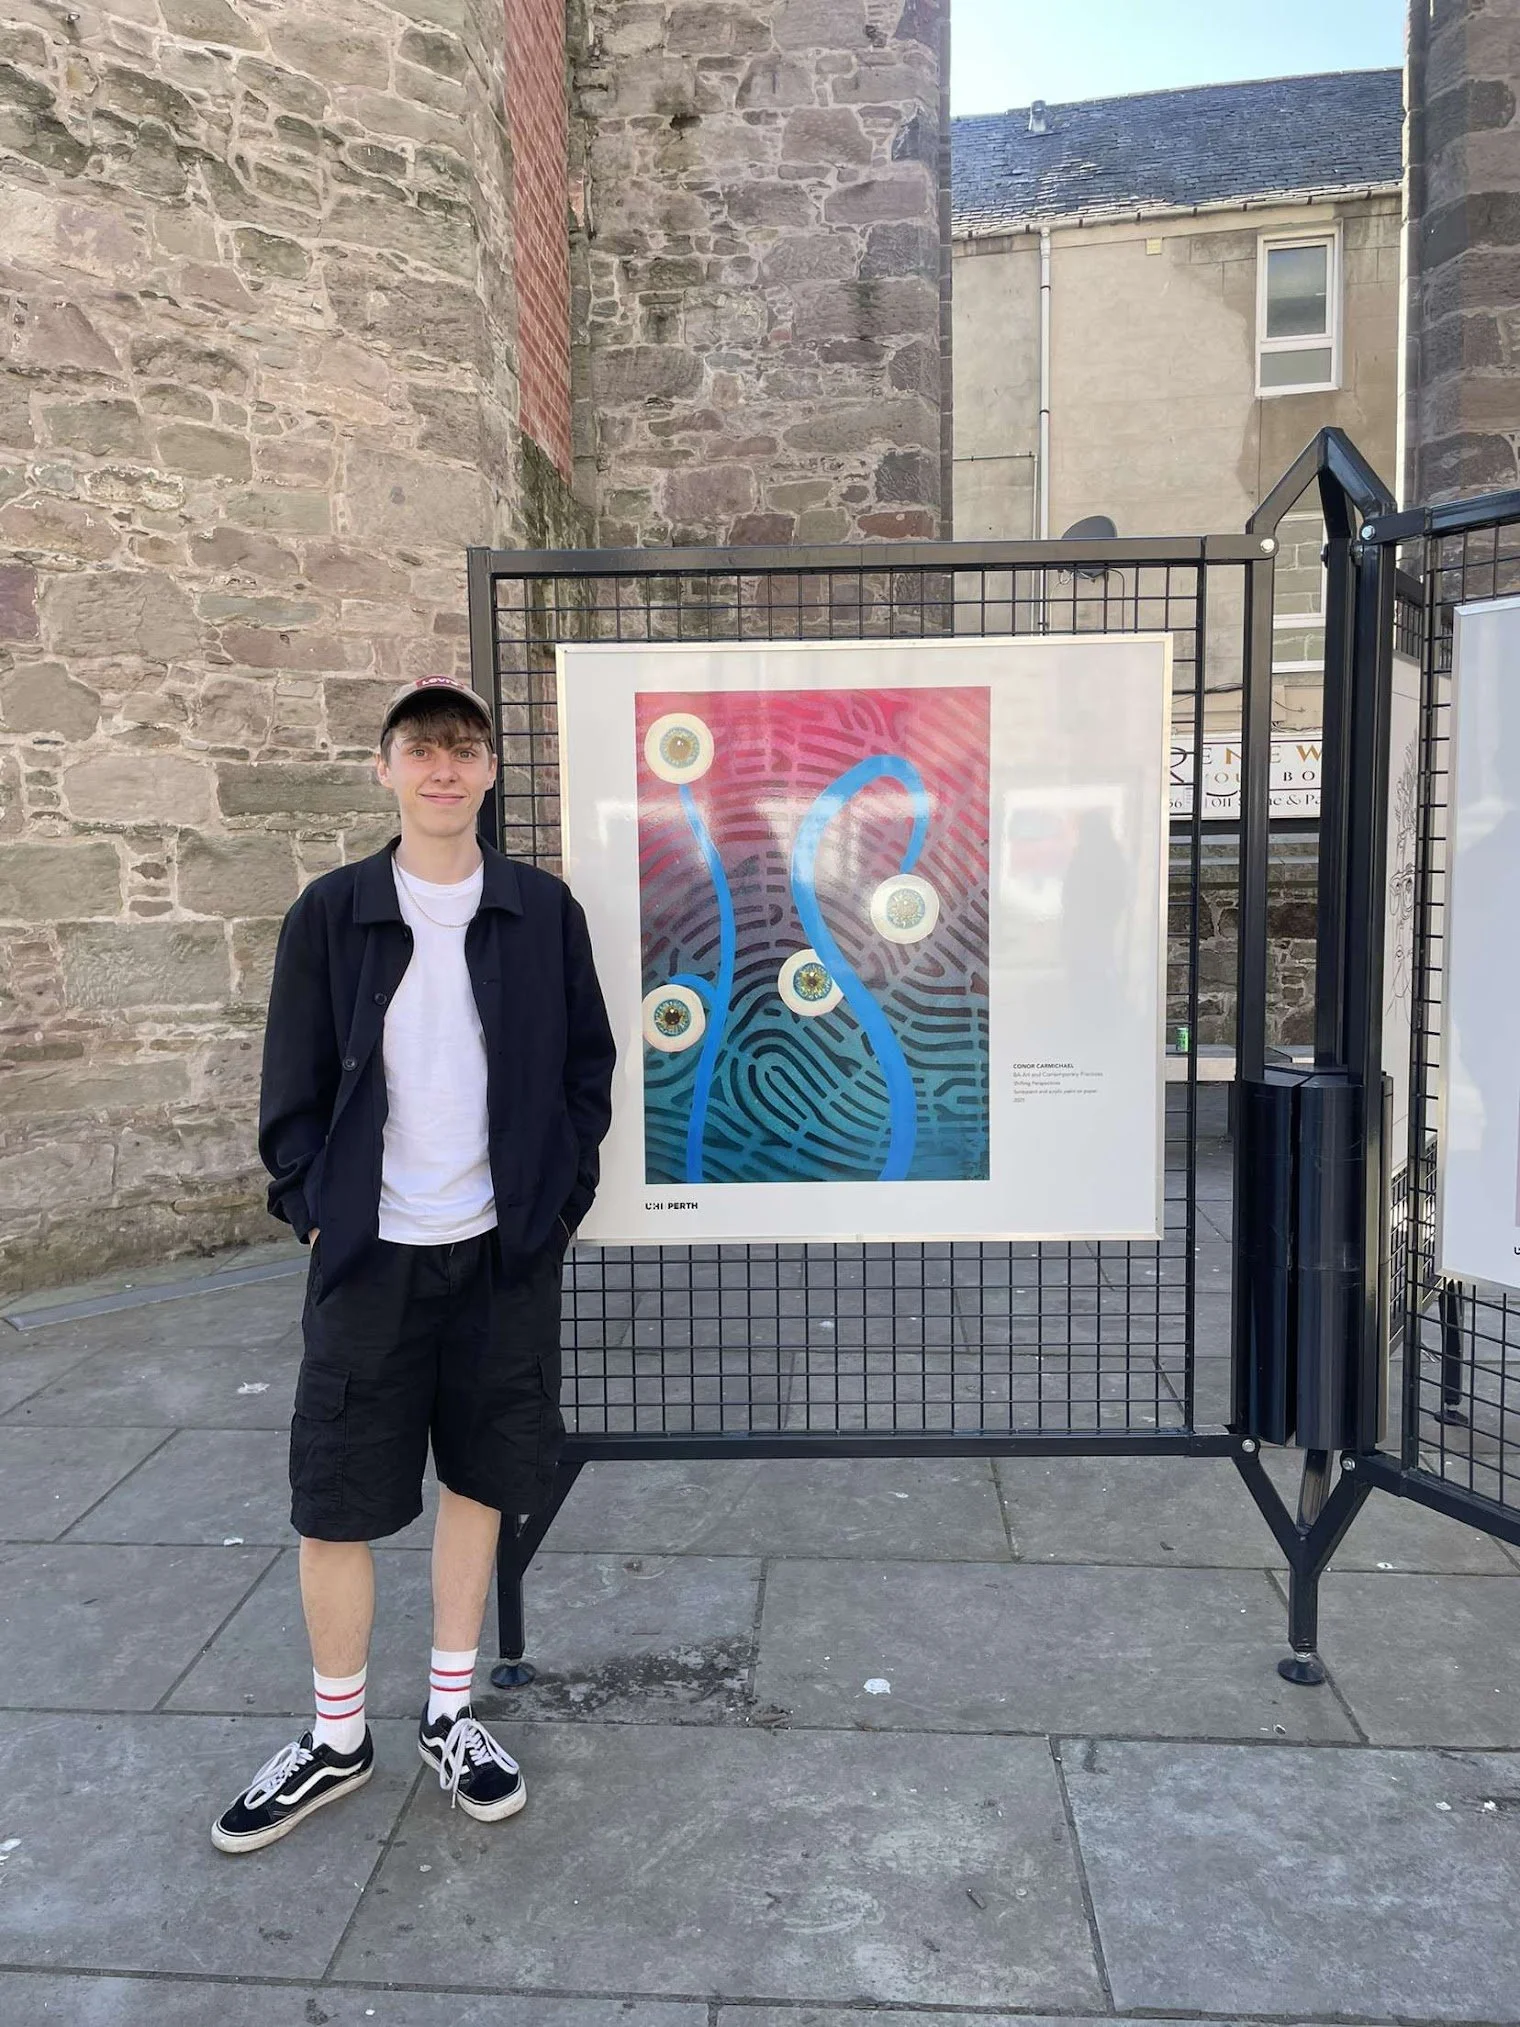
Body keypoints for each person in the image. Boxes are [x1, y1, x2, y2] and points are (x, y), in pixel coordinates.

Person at [212, 673, 615, 1854]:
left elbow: (585, 1071)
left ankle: (449, 1712)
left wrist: (553, 1203)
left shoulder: (542, 912)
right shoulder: (332, 912)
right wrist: (315, 1211)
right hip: (370, 1259)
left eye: (463, 747)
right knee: (334, 1497)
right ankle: (337, 1735)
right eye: (421, 747)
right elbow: (290, 1085)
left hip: (499, 1255)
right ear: (385, 768)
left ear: (488, 770)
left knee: (481, 1480)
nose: (444, 767)